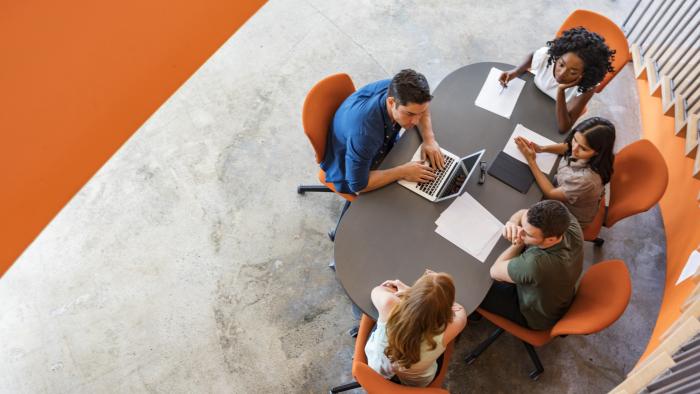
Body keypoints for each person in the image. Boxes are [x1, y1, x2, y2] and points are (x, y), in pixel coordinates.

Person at [321, 69, 445, 195]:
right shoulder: (365, 135)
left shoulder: (401, 90)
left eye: (420, 113)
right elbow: (358, 185)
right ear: (391, 102)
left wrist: (429, 139)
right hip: (352, 168)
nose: (415, 121)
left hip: (379, 145)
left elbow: (421, 107)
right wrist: (403, 172)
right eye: (409, 114)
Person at [480, 200, 583, 330]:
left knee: (476, 285)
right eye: (523, 226)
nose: (521, 232)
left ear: (551, 239)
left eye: (528, 234)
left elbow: (495, 271)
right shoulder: (567, 222)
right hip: (555, 297)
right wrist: (512, 223)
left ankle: (474, 315)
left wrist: (518, 241)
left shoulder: (537, 264)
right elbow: (523, 213)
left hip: (533, 315)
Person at [499, 27, 616, 133]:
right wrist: (516, 71)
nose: (562, 74)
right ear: (558, 56)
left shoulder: (587, 87)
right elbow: (532, 56)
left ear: (584, 74)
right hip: (529, 102)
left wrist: (561, 91)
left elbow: (563, 128)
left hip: (549, 117)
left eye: (573, 72)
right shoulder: (547, 56)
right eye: (561, 64)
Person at [365, 270, 467, 387]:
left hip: (378, 368)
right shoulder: (451, 328)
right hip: (415, 383)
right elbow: (460, 309)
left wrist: (411, 294)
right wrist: (440, 298)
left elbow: (377, 290)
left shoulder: (389, 304)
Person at [514, 117, 616, 227]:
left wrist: (531, 161)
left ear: (598, 152)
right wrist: (541, 148)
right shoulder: (587, 150)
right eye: (575, 140)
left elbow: (551, 194)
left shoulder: (585, 180)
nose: (574, 149)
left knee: (522, 211)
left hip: (569, 215)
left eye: (583, 148)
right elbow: (567, 147)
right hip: (564, 188)